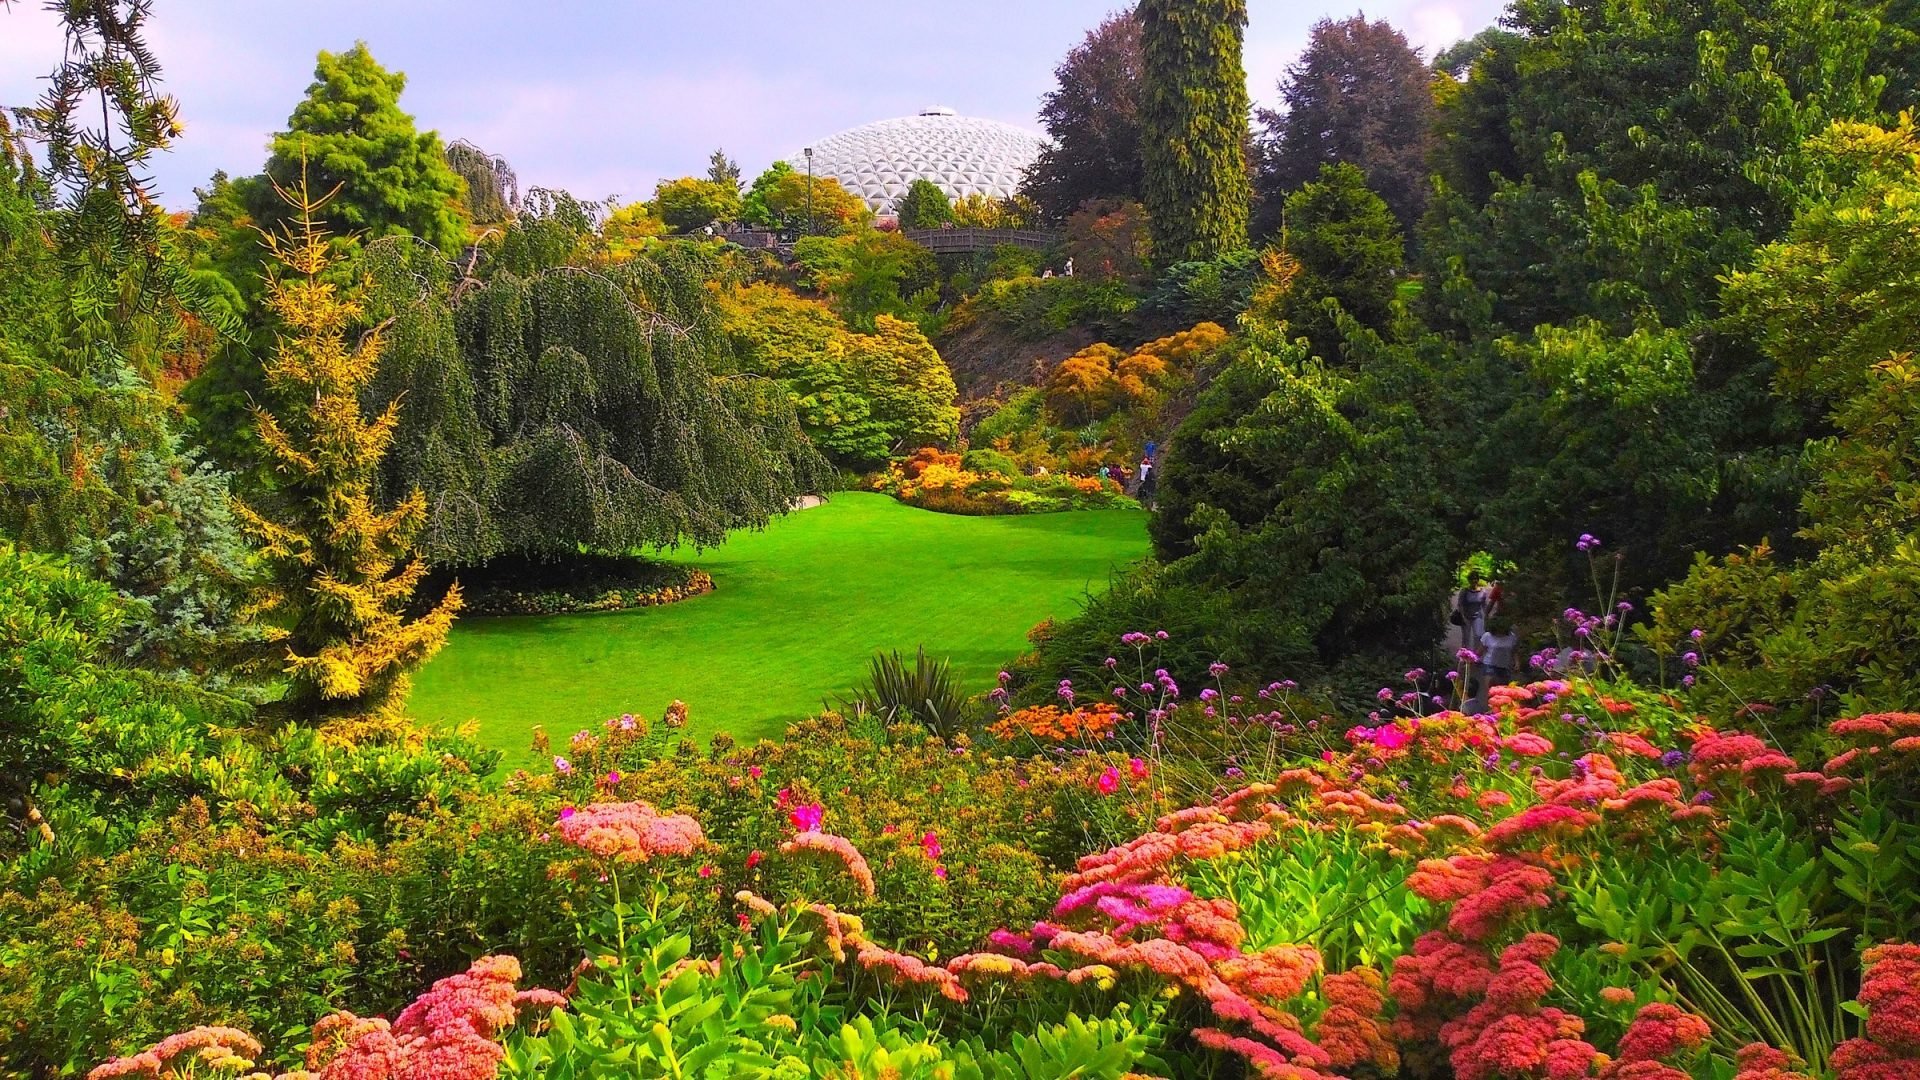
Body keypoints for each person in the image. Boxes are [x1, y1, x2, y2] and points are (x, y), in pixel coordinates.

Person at [1451, 572, 1491, 654]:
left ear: (1478, 580)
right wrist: (1463, 617)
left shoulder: (1482, 591)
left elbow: (1484, 604)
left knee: (1478, 635)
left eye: (1476, 579)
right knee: (1466, 637)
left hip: (1477, 616)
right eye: (1472, 579)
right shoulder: (1464, 591)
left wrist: (1486, 615)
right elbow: (1460, 605)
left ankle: (1476, 655)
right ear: (1469, 580)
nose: (1474, 581)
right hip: (1466, 616)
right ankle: (1464, 655)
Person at [1478, 615, 1520, 690]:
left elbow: (1514, 651)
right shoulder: (1487, 636)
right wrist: (1471, 659)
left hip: (1505, 666)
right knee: (1491, 690)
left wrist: (1517, 662)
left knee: (1503, 691)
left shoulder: (1511, 637)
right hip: (1489, 665)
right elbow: (1480, 651)